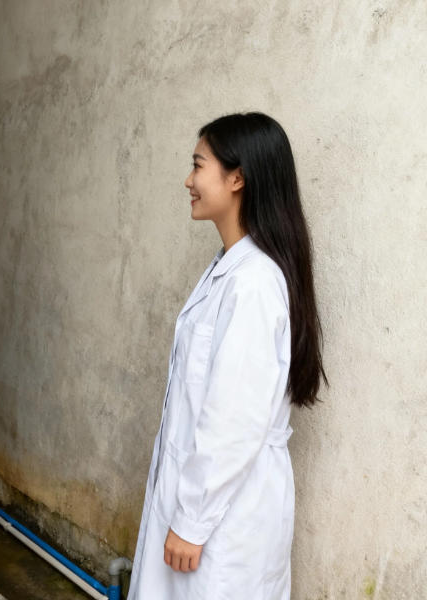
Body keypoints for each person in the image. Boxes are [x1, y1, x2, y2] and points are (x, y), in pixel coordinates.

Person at [127, 113, 326, 599]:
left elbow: (234, 420)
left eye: (198, 166)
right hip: (211, 507)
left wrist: (192, 522)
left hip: (227, 520)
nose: (188, 181)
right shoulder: (229, 269)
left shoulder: (253, 283)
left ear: (237, 178)